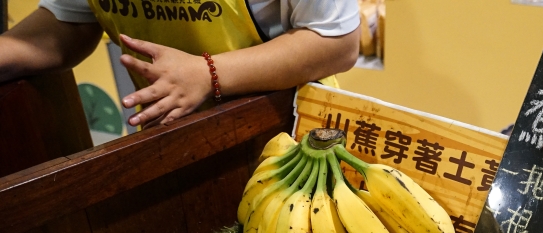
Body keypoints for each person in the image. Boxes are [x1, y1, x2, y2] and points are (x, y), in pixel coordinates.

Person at [0, 0, 360, 128]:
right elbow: (71, 24)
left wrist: (207, 74)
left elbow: (337, 42)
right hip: (171, 141)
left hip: (291, 131)